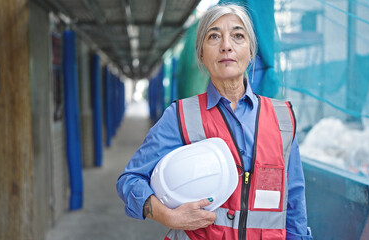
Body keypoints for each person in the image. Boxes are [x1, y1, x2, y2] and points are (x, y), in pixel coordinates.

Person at [117, 4, 313, 240]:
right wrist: (167, 216)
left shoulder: (283, 119)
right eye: (214, 36)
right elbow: (130, 180)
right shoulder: (180, 116)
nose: (226, 45)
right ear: (201, 53)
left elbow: (294, 206)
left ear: (251, 51)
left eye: (238, 36)